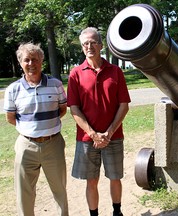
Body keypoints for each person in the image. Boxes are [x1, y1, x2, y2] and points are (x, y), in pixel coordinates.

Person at [67, 27, 130, 216]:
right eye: (85, 43)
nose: (89, 46)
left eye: (93, 42)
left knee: (115, 177)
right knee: (91, 180)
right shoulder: (75, 74)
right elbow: (74, 109)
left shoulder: (115, 71)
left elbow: (124, 105)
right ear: (82, 47)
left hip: (114, 136)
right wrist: (93, 134)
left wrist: (109, 133)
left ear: (101, 45)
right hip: (87, 139)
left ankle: (116, 212)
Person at [3, 42, 69, 216]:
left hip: (53, 144)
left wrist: (46, 127)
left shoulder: (55, 85)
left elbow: (62, 110)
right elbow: (10, 118)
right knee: (24, 193)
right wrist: (31, 130)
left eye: (35, 59)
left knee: (60, 190)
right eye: (27, 60)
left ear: (42, 61)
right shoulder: (13, 90)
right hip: (26, 146)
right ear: (20, 63)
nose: (31, 64)